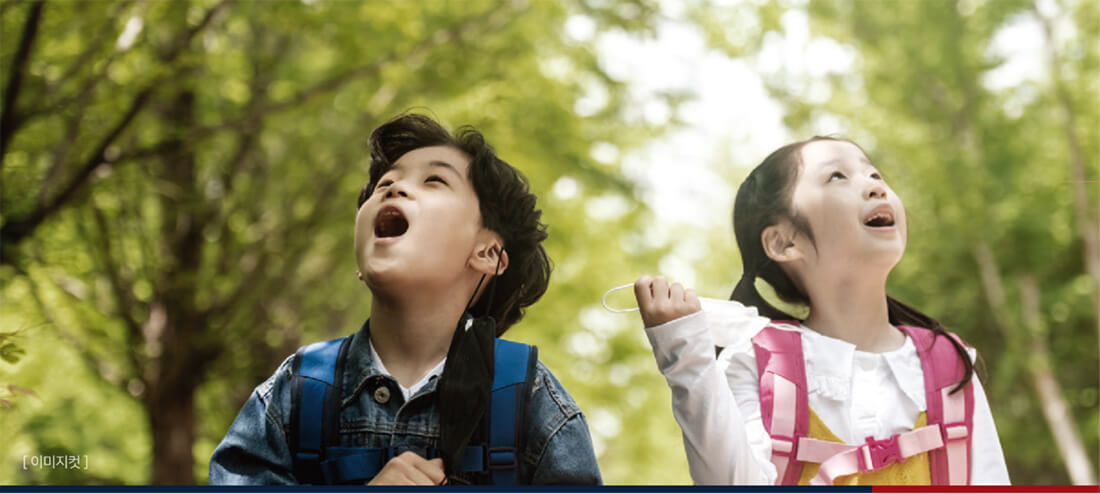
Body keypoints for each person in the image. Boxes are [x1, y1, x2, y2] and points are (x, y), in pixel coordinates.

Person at [209, 113, 601, 485]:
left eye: (434, 181)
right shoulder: (297, 389)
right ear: (361, 263)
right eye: (383, 185)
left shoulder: (528, 398)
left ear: (487, 254)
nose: (393, 188)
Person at [634, 137, 1010, 485]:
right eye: (837, 176)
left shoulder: (948, 363)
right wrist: (685, 356)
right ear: (784, 242)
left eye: (874, 173)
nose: (875, 185)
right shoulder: (757, 363)